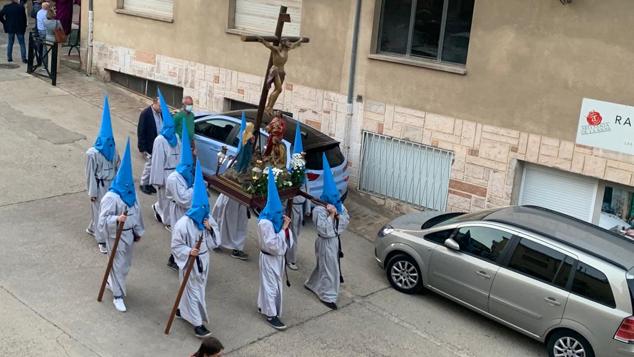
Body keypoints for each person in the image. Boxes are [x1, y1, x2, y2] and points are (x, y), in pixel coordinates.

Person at [171, 160, 219, 338]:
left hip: (204, 260)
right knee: (194, 291)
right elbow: (176, 245)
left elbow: (216, 241)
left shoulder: (207, 218)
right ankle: (198, 324)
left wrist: (210, 228)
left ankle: (182, 310)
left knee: (199, 288)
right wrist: (188, 252)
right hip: (190, 260)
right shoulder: (183, 224)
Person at [97, 138, 144, 313]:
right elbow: (103, 220)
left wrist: (138, 230)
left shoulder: (131, 194)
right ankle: (118, 296)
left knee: (125, 264)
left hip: (129, 234)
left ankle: (113, 282)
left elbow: (137, 212)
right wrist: (117, 219)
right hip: (115, 235)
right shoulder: (111, 198)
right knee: (117, 263)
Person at [304, 154, 350, 310]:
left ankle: (312, 284)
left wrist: (337, 214)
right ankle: (327, 295)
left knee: (326, 266)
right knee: (329, 269)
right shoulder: (318, 210)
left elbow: (345, 220)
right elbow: (324, 230)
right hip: (325, 242)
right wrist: (331, 215)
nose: (337, 202)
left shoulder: (339, 206)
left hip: (334, 241)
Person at [257, 171, 293, 330]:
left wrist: (285, 229)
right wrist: (283, 228)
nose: (281, 215)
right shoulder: (265, 223)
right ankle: (271, 315)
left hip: (278, 258)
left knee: (273, 284)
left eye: (281, 212)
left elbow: (286, 241)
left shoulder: (275, 220)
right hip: (269, 257)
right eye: (278, 212)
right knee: (271, 285)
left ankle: (262, 305)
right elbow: (272, 244)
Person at [86, 96, 120, 254]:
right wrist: (92, 192)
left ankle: (93, 228)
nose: (109, 144)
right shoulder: (92, 154)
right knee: (100, 211)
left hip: (111, 184)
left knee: (107, 211)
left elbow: (118, 166)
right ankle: (101, 240)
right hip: (99, 185)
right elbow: (90, 174)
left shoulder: (113, 150)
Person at [165, 126, 195, 271]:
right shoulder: (174, 178)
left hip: (187, 210)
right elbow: (182, 198)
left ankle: (180, 257)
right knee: (179, 234)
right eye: (188, 165)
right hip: (178, 209)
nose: (190, 168)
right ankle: (174, 259)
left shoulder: (188, 174)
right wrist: (195, 189)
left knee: (188, 234)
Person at [150, 90, 181, 227]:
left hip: (174, 173)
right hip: (164, 174)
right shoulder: (160, 140)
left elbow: (180, 157)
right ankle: (163, 216)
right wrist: (157, 180)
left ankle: (166, 216)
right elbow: (157, 161)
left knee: (172, 200)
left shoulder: (177, 138)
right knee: (164, 199)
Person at [286, 122, 307, 271]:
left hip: (299, 208)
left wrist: (307, 209)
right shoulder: (289, 173)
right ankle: (290, 259)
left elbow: (307, 192)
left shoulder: (303, 174)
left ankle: (288, 256)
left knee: (295, 233)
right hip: (290, 208)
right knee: (290, 233)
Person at [211, 194, 249, 260]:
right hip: (231, 195)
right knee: (226, 220)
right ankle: (215, 240)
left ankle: (236, 248)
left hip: (239, 197)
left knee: (237, 223)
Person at [137, 97, 162, 195]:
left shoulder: (161, 114)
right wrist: (142, 147)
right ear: (154, 103)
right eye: (160, 106)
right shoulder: (146, 114)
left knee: (154, 166)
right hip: (149, 145)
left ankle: (149, 183)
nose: (161, 108)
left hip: (158, 145)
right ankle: (143, 184)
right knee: (149, 165)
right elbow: (141, 131)